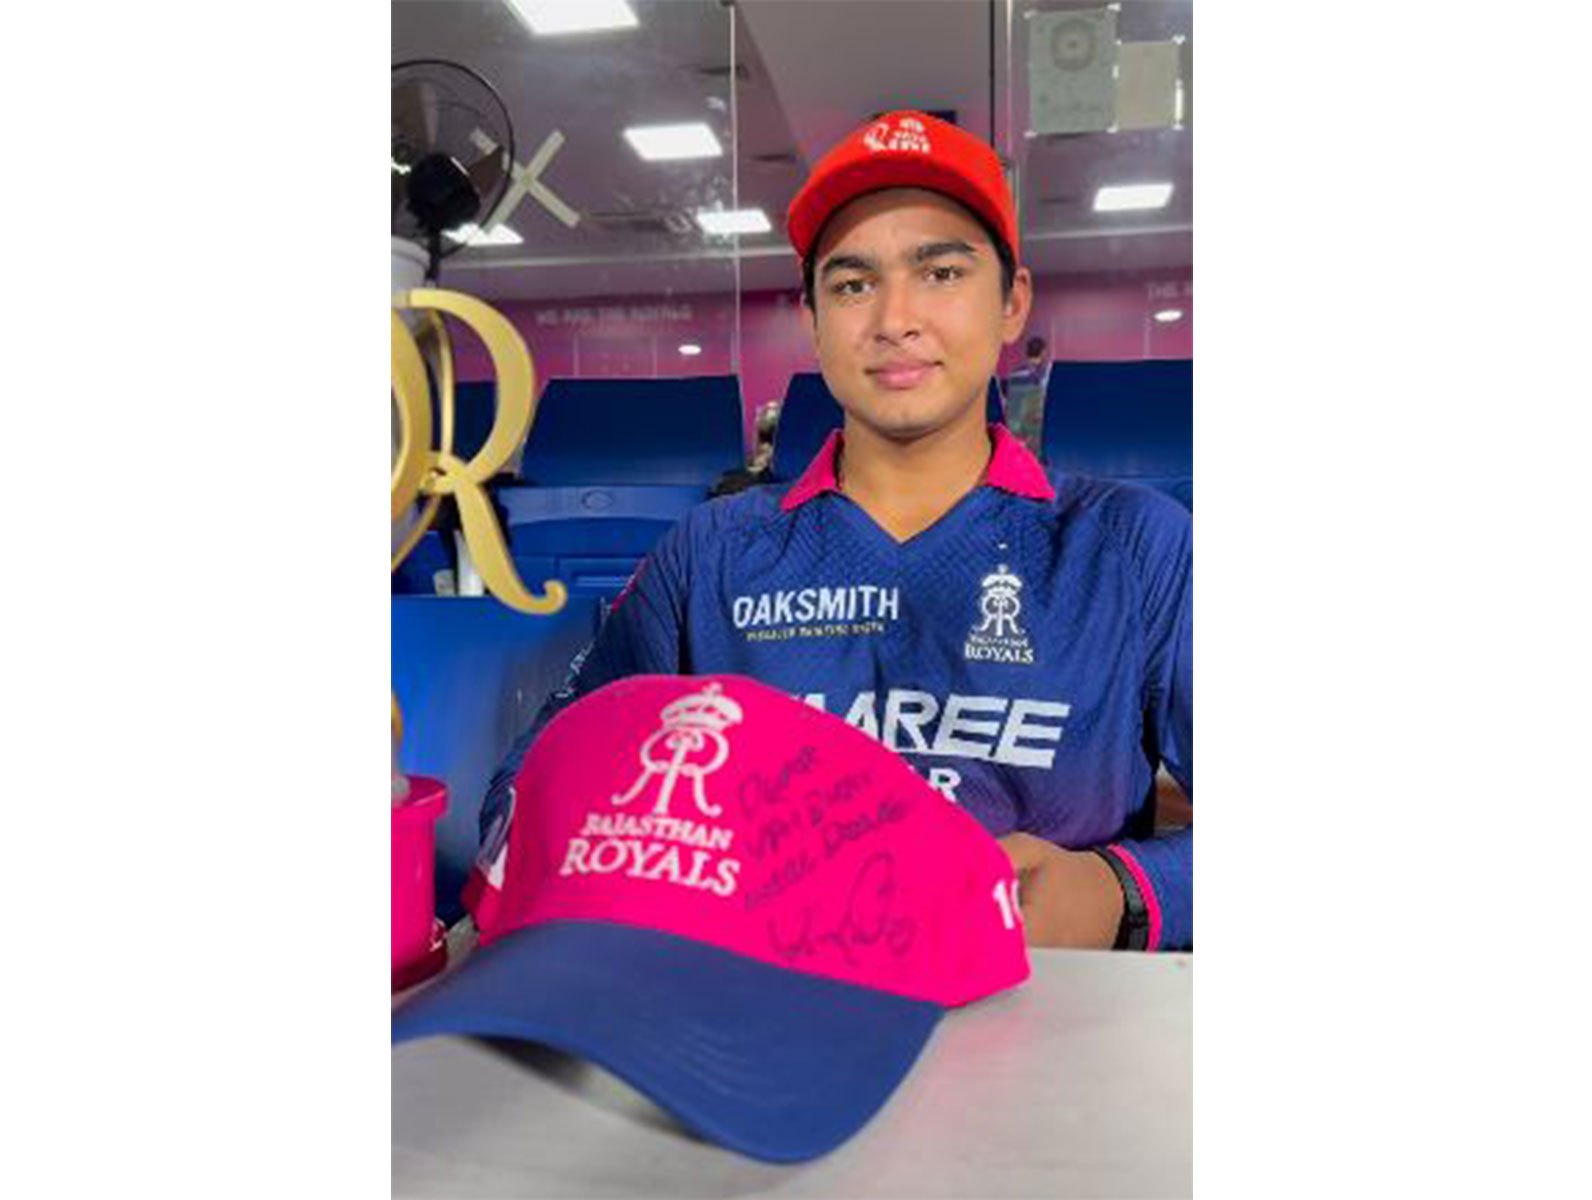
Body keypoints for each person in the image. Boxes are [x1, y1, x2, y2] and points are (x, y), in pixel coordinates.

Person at [472, 111, 1191, 951]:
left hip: (1048, 1021)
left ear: (1011, 302)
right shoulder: (711, 554)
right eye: (852, 284)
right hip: (760, 1015)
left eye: (942, 273)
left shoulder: (1134, 546)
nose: (895, 318)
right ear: (813, 322)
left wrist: (1124, 893)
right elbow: (530, 792)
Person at [1003, 335, 1050, 455]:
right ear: (1043, 352)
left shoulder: (1014, 375)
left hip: (1014, 428)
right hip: (1033, 429)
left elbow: (1007, 401)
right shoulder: (1043, 376)